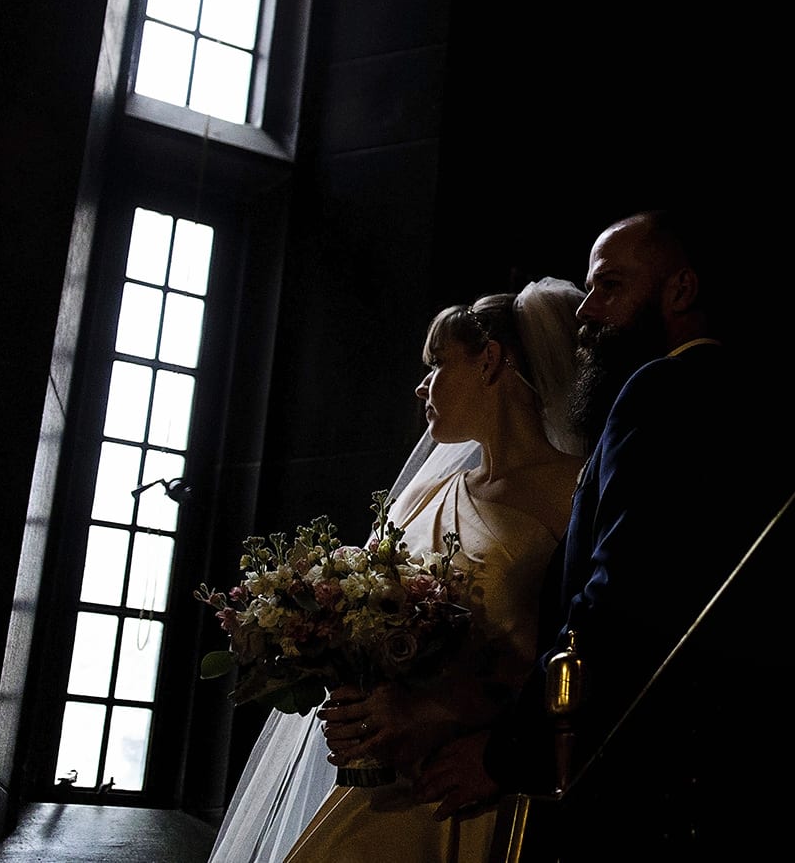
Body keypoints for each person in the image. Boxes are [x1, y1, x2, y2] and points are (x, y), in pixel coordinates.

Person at [413, 208, 795, 858]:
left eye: (610, 286)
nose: (584, 309)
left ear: (679, 290)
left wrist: (513, 748)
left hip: (640, 779)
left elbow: (613, 604)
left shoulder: (659, 390)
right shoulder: (754, 401)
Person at [206, 278, 588, 863]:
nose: (422, 384)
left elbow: (577, 646)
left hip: (474, 782)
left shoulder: (576, 487)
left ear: (490, 361)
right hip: (389, 776)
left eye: (438, 363)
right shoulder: (423, 494)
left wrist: (449, 713)